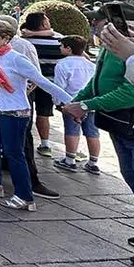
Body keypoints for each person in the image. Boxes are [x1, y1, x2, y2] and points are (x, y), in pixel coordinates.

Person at [62, 5, 134, 267]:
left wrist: (86, 105)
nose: (96, 25)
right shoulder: (111, 48)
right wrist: (79, 100)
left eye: (101, 21)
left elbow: (132, 94)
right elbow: (97, 81)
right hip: (120, 124)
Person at [0, 20, 70, 212]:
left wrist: (68, 101)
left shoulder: (16, 58)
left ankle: (24, 195)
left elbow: (40, 81)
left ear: (6, 38)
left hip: (14, 111)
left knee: (14, 153)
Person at [52, 36, 100, 174]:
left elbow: (59, 87)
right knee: (92, 132)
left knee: (71, 130)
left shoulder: (62, 64)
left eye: (62, 46)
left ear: (68, 48)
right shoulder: (91, 65)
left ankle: (70, 159)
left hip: (71, 102)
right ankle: (93, 162)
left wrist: (57, 102)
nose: (60, 49)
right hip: (90, 102)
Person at [19, 12, 64, 157]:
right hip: (48, 83)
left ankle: (24, 142)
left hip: (28, 83)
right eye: (47, 20)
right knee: (43, 114)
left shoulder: (24, 41)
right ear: (44, 24)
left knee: (26, 113)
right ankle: (45, 144)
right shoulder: (59, 40)